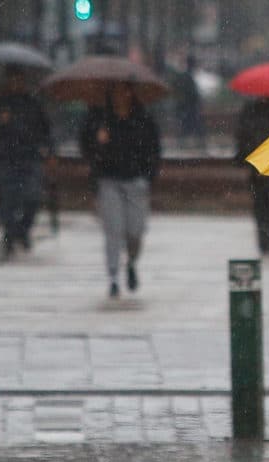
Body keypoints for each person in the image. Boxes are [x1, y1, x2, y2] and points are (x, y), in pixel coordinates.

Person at [78, 84, 161, 298]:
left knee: (136, 230)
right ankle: (113, 276)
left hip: (136, 181)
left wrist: (149, 176)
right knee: (113, 231)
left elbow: (153, 150)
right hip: (109, 181)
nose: (121, 96)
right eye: (116, 92)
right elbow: (87, 151)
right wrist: (98, 142)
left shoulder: (143, 120)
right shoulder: (101, 120)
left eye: (125, 91)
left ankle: (131, 262)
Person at [0, 66, 53, 258]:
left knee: (32, 196)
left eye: (19, 81)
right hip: (5, 158)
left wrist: (45, 148)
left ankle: (22, 230)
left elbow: (45, 130)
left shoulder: (33, 104)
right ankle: (9, 233)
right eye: (12, 81)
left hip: (29, 156)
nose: (16, 85)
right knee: (7, 198)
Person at [235, 97, 269, 255]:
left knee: (262, 205)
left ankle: (265, 237)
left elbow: (242, 137)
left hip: (261, 167)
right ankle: (267, 236)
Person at [173, 55, 206, 149]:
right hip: (188, 108)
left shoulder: (186, 76)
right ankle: (200, 145)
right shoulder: (187, 77)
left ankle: (183, 145)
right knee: (194, 126)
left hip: (186, 108)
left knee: (188, 127)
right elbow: (191, 94)